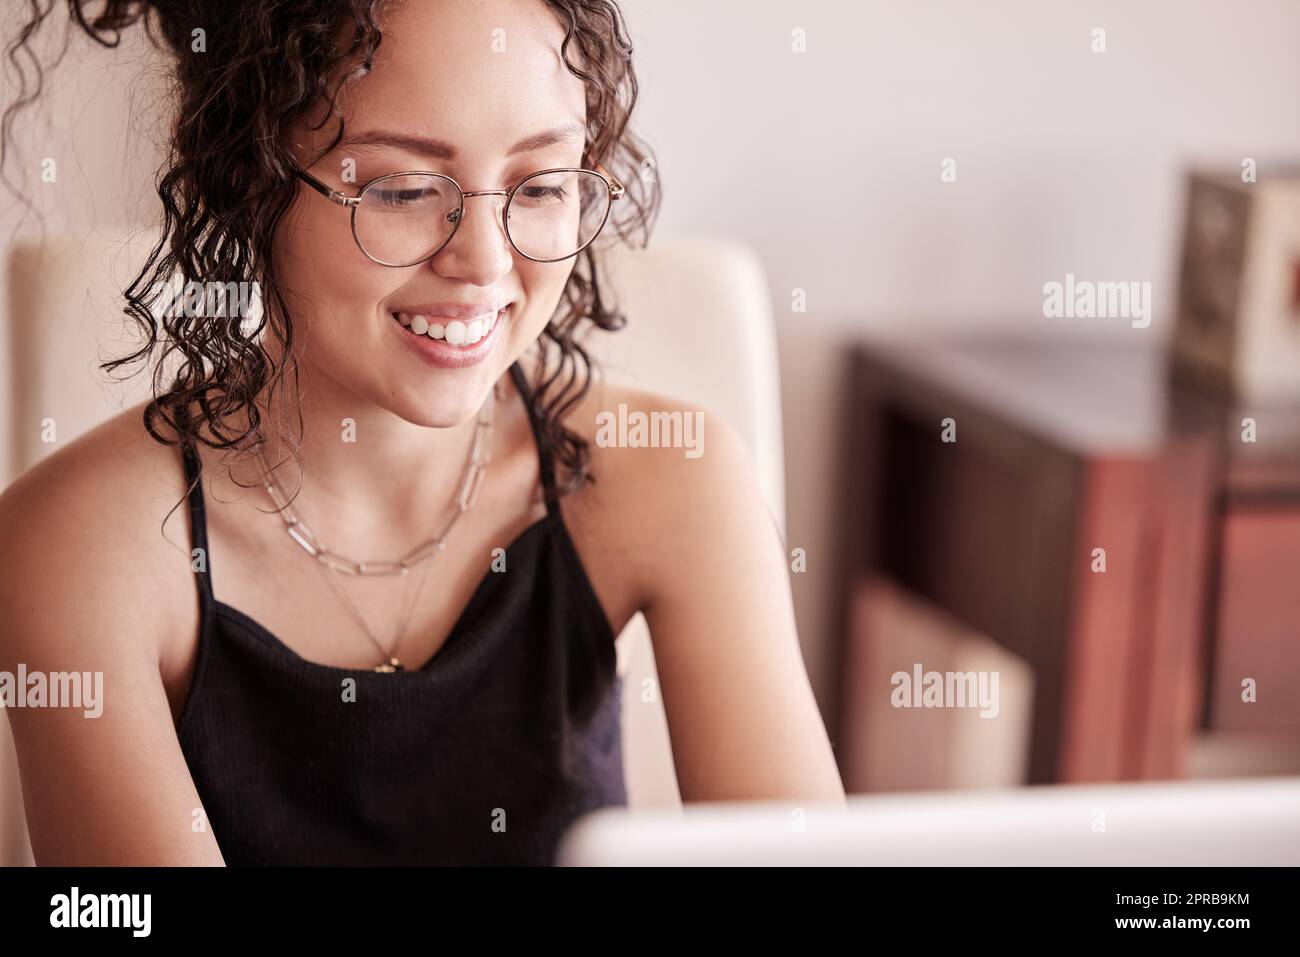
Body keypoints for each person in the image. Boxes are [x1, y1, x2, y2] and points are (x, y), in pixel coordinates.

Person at [0, 0, 845, 866]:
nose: (483, 262)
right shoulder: (74, 548)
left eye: (543, 185)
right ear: (243, 171)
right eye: (403, 189)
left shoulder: (669, 478)